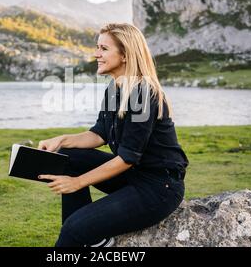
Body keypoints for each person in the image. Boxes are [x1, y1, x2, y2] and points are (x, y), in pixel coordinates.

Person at [38, 23, 189, 247]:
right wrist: (60, 140)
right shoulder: (115, 88)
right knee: (67, 155)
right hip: (134, 176)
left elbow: (128, 158)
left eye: (104, 48)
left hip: (158, 188)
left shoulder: (142, 92)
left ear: (126, 55)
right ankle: (92, 237)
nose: (96, 54)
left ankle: (80, 233)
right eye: (97, 47)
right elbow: (98, 134)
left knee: (72, 229)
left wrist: (77, 182)